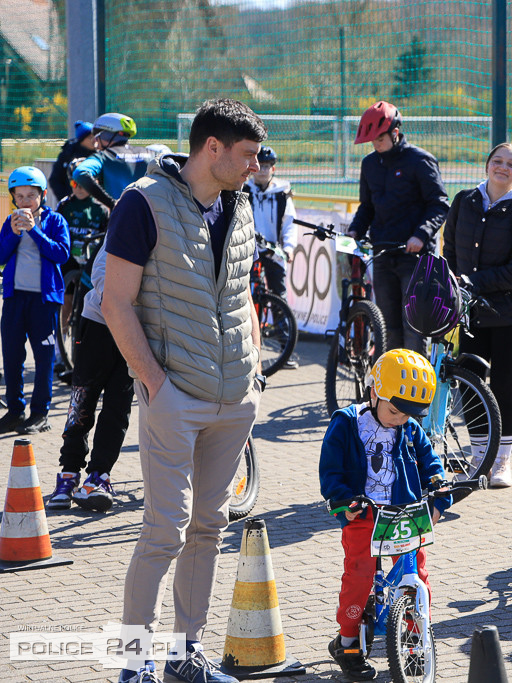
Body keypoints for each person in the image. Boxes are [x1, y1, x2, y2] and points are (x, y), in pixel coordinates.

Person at [102, 98, 267, 683]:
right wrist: (155, 385)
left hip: (234, 398)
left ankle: (184, 653)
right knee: (163, 531)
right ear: (212, 148)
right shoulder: (142, 202)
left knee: (209, 528)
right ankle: (132, 659)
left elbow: (241, 290)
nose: (256, 166)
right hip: (176, 396)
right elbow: (114, 302)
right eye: (247, 155)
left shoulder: (240, 205)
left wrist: (254, 371)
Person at [320, 349, 451, 681]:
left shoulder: (409, 426)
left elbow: (430, 461)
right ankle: (348, 641)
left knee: (416, 574)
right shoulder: (347, 423)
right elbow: (331, 470)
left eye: (408, 415)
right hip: (364, 515)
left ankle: (414, 637)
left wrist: (438, 489)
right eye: (394, 411)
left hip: (406, 511)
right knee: (359, 576)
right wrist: (341, 500)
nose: (400, 419)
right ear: (374, 391)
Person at [441, 142, 512, 487]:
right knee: (468, 382)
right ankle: (478, 456)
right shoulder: (464, 201)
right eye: (497, 161)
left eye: (510, 164)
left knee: (500, 385)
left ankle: (501, 462)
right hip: (471, 310)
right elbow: (450, 248)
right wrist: (457, 282)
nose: (502, 167)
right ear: (487, 165)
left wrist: (472, 281)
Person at [348, 101, 449, 356]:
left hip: (414, 258)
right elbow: (367, 207)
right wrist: (355, 231)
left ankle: (417, 392)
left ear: (395, 131)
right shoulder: (369, 164)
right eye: (372, 140)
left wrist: (421, 234)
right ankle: (391, 391)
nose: (376, 144)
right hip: (383, 255)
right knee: (387, 327)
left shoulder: (420, 161)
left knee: (414, 326)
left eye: (380, 138)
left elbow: (439, 205)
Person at [46, 237, 133, 513]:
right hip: (99, 321)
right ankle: (69, 473)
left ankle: (99, 476)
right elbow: (99, 272)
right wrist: (123, 306)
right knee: (82, 400)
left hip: (137, 333)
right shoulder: (132, 208)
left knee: (117, 408)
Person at [0, 167, 70, 435]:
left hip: (44, 300)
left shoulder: (56, 222)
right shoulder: (10, 222)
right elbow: (1, 255)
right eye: (20, 196)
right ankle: (15, 411)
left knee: (43, 357)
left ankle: (40, 413)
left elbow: (61, 254)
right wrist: (15, 233)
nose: (25, 201)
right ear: (14, 199)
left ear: (42, 195)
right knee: (12, 355)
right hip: (15, 298)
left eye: (31, 195)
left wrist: (34, 231)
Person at [55, 157, 109, 382]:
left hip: (92, 261)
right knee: (66, 304)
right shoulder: (65, 205)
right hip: (69, 260)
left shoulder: (102, 209)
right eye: (74, 184)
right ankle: (60, 353)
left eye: (83, 184)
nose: (78, 189)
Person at [72, 112, 156, 210]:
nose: (96, 144)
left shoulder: (104, 156)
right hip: (152, 220)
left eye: (97, 138)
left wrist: (111, 203)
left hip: (121, 219)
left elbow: (80, 173)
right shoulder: (151, 153)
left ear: (105, 135)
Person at [244, 145, 297, 297]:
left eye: (267, 167)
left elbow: (290, 222)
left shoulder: (281, 195)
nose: (262, 170)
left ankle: (280, 320)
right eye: (259, 166)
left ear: (273, 170)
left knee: (278, 294)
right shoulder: (244, 191)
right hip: (249, 251)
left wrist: (289, 247)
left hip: (274, 251)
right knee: (245, 294)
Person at [49, 120, 95, 203]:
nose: (94, 141)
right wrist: (66, 199)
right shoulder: (68, 154)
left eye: (95, 137)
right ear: (82, 140)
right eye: (90, 137)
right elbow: (55, 179)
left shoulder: (99, 154)